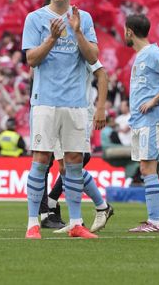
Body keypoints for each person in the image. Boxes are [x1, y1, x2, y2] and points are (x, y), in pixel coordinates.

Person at [21, 0, 102, 240]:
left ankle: (77, 223)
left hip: (76, 102)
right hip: (45, 100)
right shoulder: (35, 19)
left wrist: (77, 32)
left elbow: (93, 58)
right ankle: (33, 222)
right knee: (41, 159)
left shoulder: (84, 18)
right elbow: (31, 60)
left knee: (74, 161)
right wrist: (52, 38)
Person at [123, 14, 159, 233]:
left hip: (151, 119)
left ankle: (155, 220)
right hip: (140, 120)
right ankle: (156, 219)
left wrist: (154, 100)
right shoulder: (141, 55)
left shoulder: (153, 52)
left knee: (148, 167)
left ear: (129, 31)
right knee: (144, 167)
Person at [45, 61, 113, 234]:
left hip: (77, 111)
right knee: (65, 167)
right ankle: (79, 218)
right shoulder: (55, 48)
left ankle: (98, 208)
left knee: (68, 165)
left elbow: (102, 74)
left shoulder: (83, 48)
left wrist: (101, 107)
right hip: (55, 109)